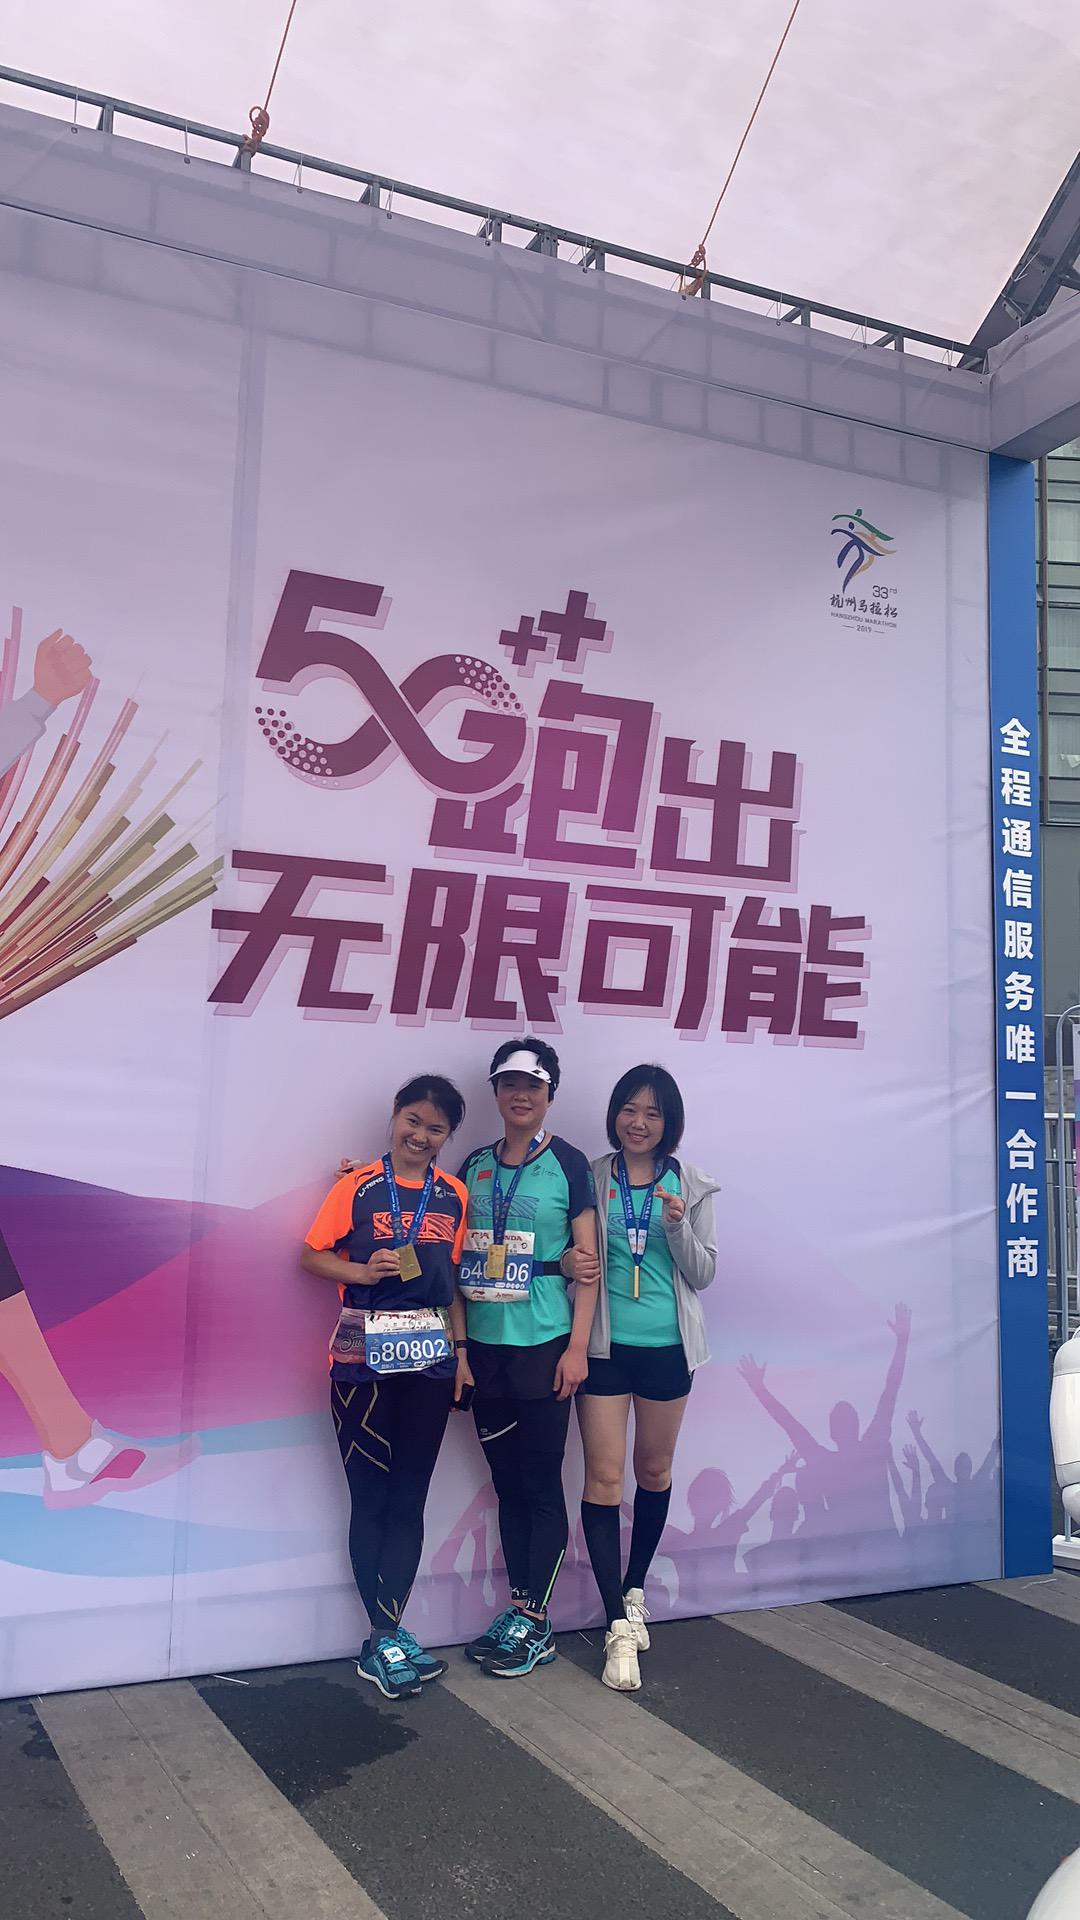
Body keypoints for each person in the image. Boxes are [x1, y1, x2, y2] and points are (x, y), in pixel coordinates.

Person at [302, 1074, 472, 1700]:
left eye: (436, 1128)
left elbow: (453, 1281)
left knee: (410, 1498)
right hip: (361, 1362)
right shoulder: (356, 1186)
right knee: (370, 1497)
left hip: (428, 1361)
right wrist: (359, 1271)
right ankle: (381, 1637)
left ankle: (390, 1632)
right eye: (413, 1121)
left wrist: (461, 1353)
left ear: (448, 1136)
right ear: (395, 1116)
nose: (420, 1136)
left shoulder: (453, 1195)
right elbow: (310, 1255)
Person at [457, 1038, 599, 1678]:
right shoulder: (474, 1165)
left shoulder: (568, 1163)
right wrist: (461, 1350)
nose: (521, 1095)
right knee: (507, 1484)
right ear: (496, 1091)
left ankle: (535, 1621)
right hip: (486, 1349)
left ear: (550, 1095)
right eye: (510, 1083)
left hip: (545, 1345)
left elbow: (588, 1265)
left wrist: (577, 1349)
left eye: (533, 1086)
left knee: (540, 1484)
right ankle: (520, 1608)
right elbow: (449, 1249)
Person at [577, 1064, 719, 1691]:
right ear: (615, 1114)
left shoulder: (693, 1184)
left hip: (668, 1349)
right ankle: (615, 1623)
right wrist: (567, 1261)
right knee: (603, 1478)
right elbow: (568, 1252)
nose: (639, 1122)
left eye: (653, 1113)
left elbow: (704, 1273)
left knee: (653, 1472)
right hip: (604, 1349)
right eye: (630, 1109)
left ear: (670, 1123)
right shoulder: (589, 1177)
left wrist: (676, 1225)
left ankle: (635, 1590)